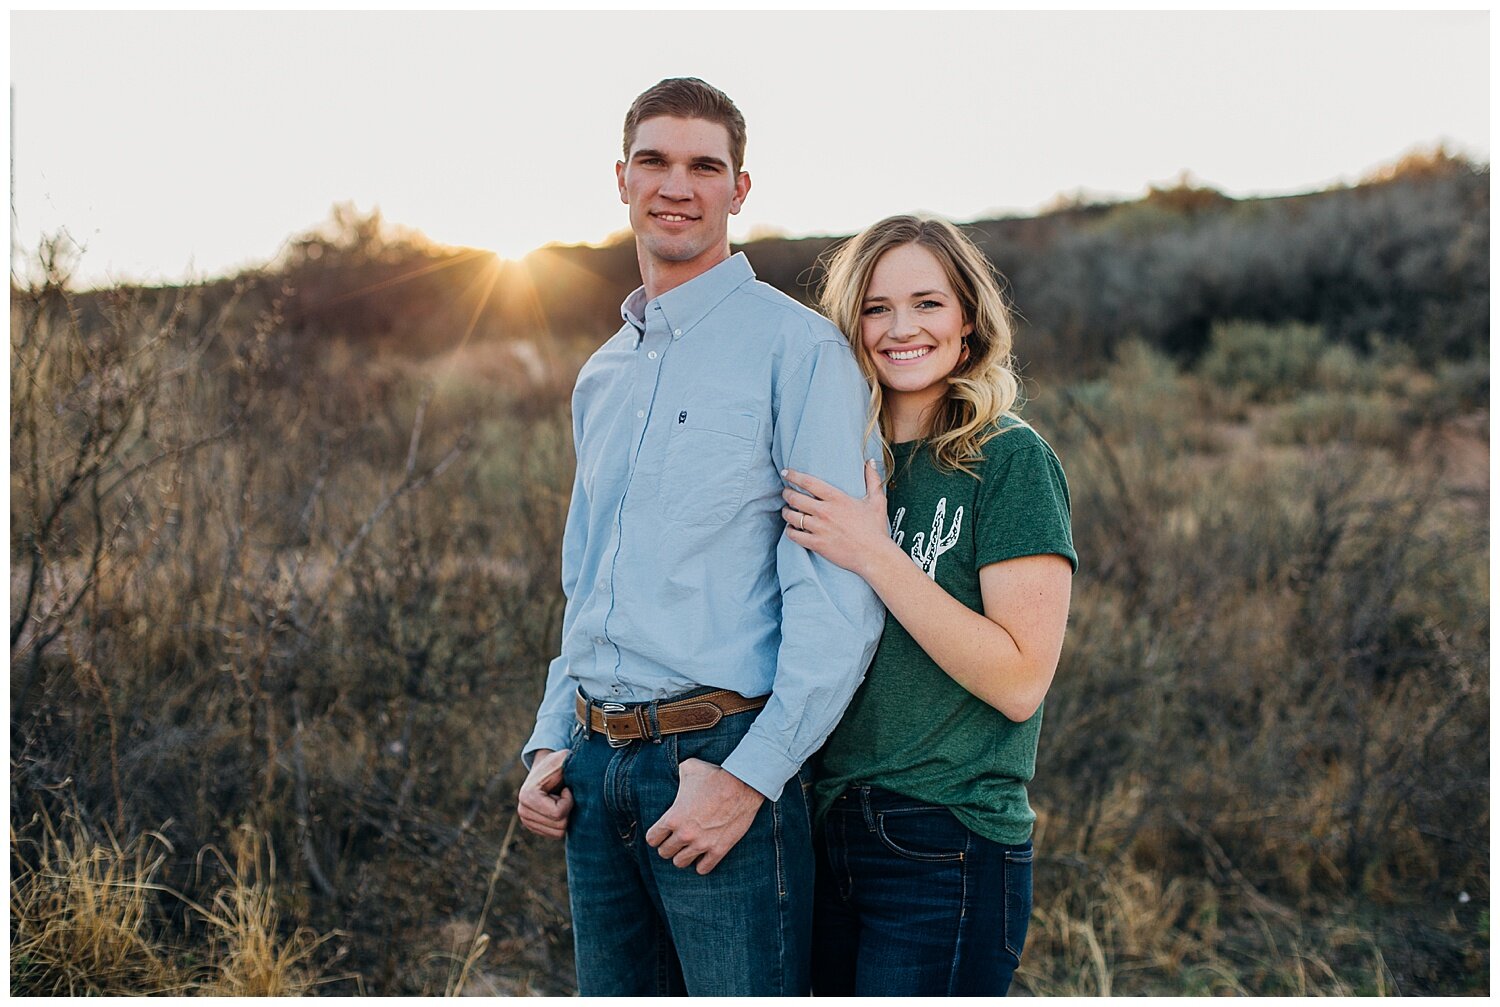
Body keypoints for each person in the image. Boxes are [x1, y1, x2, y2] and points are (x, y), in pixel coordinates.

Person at [515, 77, 883, 997]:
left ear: (739, 189)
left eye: (703, 165)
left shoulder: (797, 353)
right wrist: (551, 739)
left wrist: (751, 778)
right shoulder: (602, 374)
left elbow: (838, 595)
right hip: (594, 774)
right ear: (622, 177)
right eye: (655, 161)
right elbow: (586, 581)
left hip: (719, 759)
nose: (676, 185)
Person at [778, 215, 1077, 996]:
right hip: (826, 823)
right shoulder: (838, 464)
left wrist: (877, 554)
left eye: (927, 303)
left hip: (947, 836)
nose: (901, 328)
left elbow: (1019, 679)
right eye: (876, 308)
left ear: (969, 319)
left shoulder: (1007, 460)